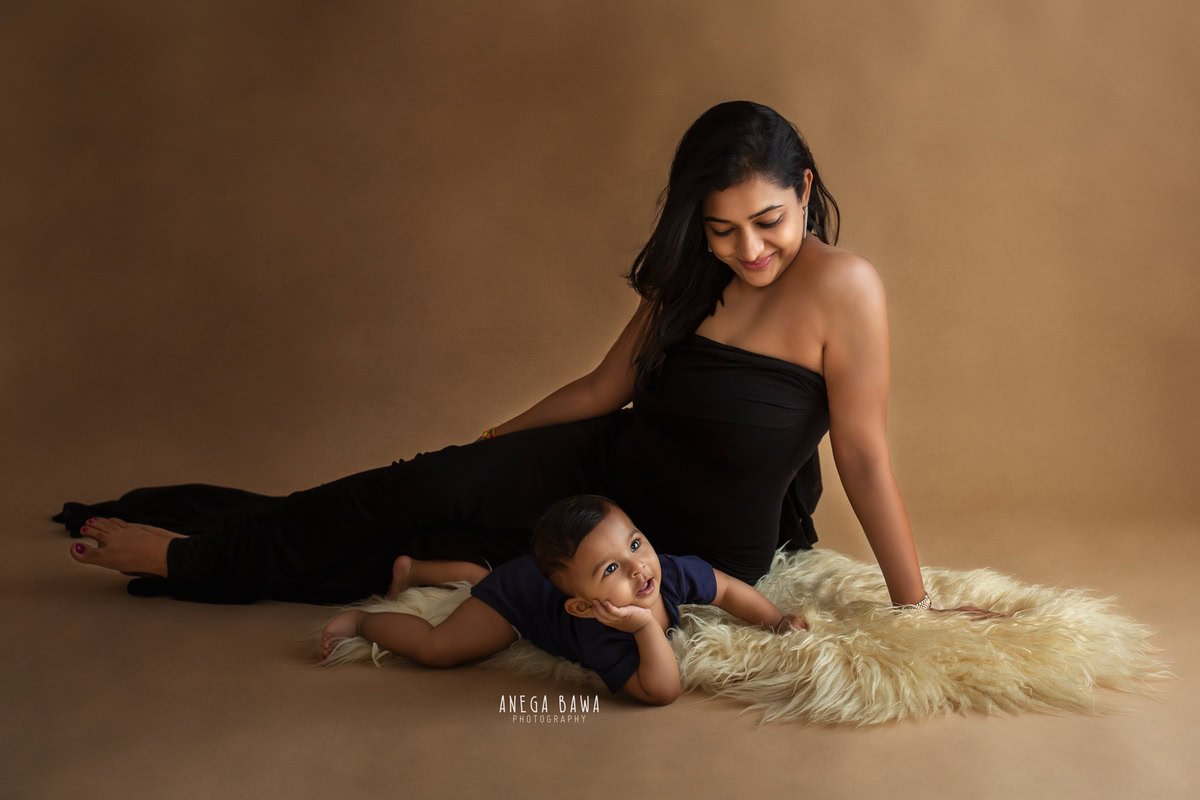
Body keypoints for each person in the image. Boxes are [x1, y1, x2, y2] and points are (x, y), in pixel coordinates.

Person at [56, 99, 1004, 620]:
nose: (748, 252)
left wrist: (912, 607)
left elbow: (864, 458)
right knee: (415, 488)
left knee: (429, 563)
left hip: (685, 540)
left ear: (803, 190)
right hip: (604, 465)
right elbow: (604, 388)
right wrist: (487, 446)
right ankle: (218, 543)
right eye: (720, 232)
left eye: (767, 223)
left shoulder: (848, 289)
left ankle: (198, 563)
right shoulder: (690, 272)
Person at [319, 495, 808, 705]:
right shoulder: (597, 628)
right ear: (581, 604)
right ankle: (364, 621)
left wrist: (775, 619)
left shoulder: (669, 571)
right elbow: (660, 691)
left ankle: (420, 570)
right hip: (517, 600)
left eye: (635, 543)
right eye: (611, 569)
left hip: (527, 578)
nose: (639, 567)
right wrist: (640, 627)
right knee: (440, 647)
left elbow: (724, 587)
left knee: (480, 581)